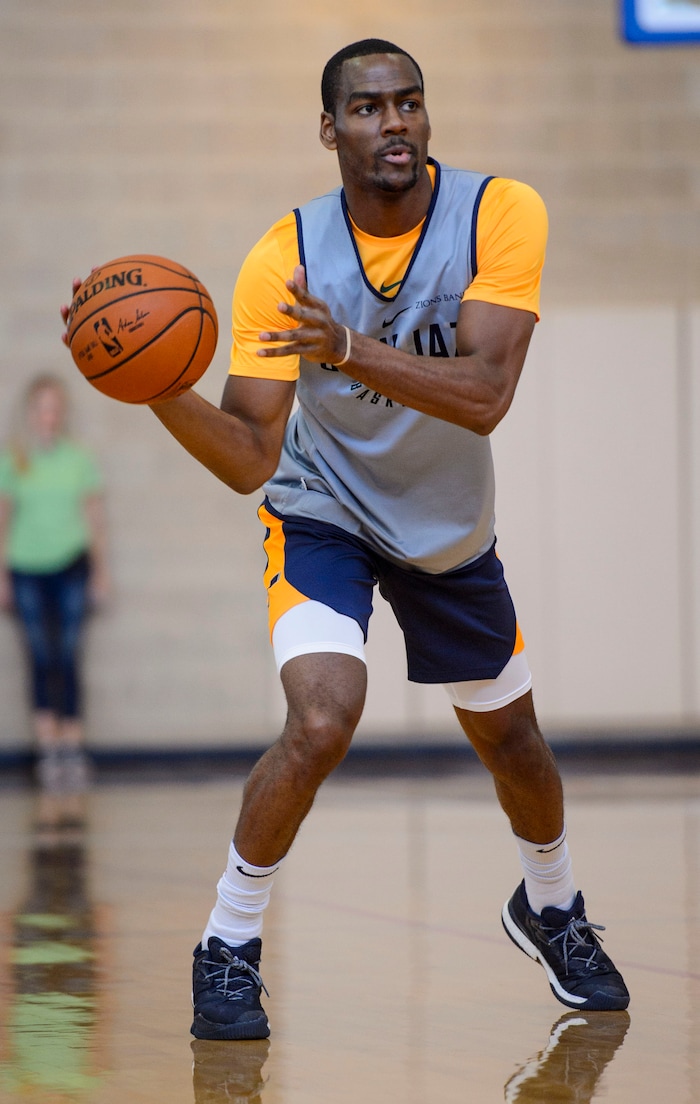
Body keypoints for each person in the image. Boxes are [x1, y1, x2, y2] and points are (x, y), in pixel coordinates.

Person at [62, 38, 629, 1039]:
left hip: (447, 526)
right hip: (321, 507)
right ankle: (228, 943)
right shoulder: (283, 255)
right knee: (322, 721)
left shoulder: (500, 213)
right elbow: (247, 456)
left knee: (514, 744)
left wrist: (347, 347)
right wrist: (152, 385)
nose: (394, 123)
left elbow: (487, 395)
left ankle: (552, 908)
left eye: (409, 103)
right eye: (367, 109)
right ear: (330, 129)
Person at [0, 374, 109, 791]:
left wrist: (100, 573)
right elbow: (5, 520)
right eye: (42, 408)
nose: (49, 416)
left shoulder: (79, 459)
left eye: (55, 409)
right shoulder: (15, 460)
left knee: (67, 654)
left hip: (71, 566)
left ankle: (71, 747)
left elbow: (95, 520)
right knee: (40, 656)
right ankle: (48, 748)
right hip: (25, 568)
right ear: (31, 414)